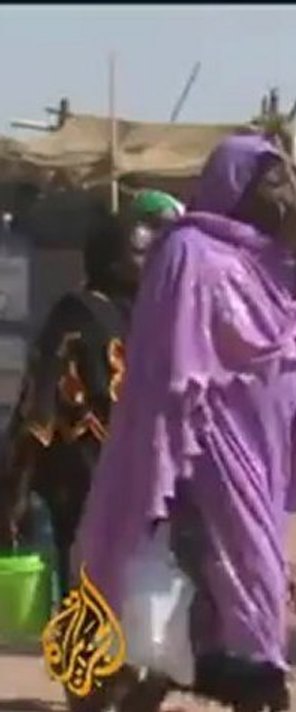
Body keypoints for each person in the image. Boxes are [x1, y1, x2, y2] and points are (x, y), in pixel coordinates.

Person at [70, 133, 296, 712]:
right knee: (194, 595)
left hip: (262, 454)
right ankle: (117, 701)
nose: (285, 196)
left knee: (243, 589)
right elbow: (169, 360)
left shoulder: (287, 265)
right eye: (272, 183)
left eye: (286, 183)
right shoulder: (191, 252)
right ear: (237, 188)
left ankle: (223, 698)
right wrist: (170, 456)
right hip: (200, 459)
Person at [0, 190, 184, 595]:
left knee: (120, 598)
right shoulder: (87, 313)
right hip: (98, 480)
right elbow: (41, 407)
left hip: (123, 482)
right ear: (111, 260)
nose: (150, 263)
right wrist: (15, 485)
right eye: (139, 255)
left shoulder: (153, 316)